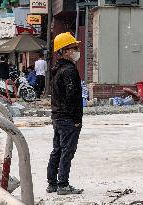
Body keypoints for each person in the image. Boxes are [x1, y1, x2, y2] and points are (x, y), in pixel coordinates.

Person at [46, 32, 83, 195]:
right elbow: (72, 97)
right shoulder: (69, 70)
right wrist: (76, 119)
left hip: (57, 116)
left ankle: (52, 183)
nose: (77, 50)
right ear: (65, 51)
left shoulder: (57, 69)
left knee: (57, 150)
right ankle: (63, 185)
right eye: (74, 47)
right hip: (67, 118)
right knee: (67, 150)